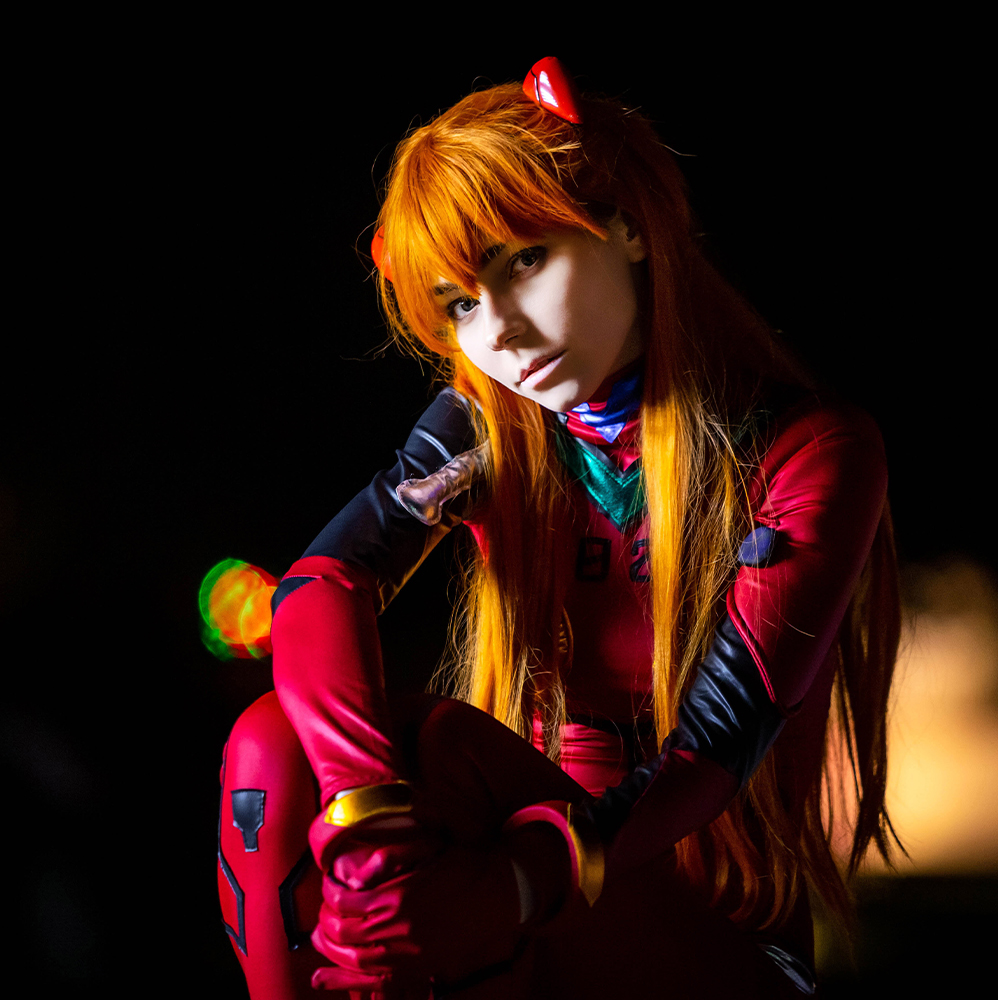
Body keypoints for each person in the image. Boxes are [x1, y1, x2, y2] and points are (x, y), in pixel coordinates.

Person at [216, 57, 900, 999]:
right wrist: (365, 820)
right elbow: (320, 588)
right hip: (518, 873)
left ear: (625, 225)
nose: (497, 330)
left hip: (708, 925)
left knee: (425, 867)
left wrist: (516, 881)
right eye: (460, 303)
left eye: (524, 260)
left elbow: (710, 749)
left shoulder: (808, 450)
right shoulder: (492, 427)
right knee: (269, 750)